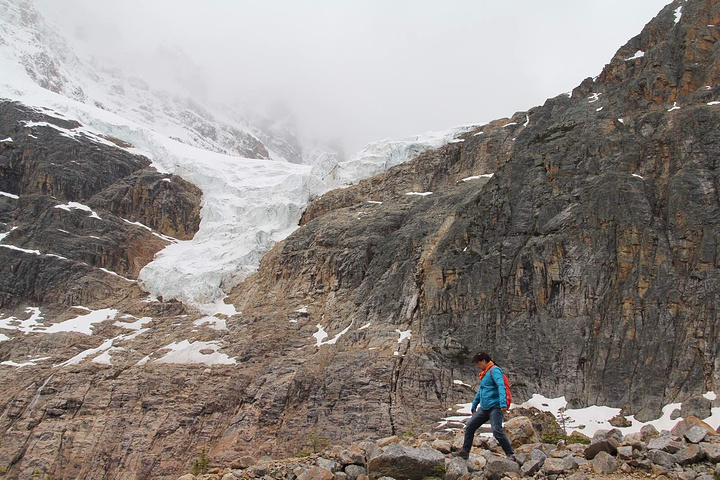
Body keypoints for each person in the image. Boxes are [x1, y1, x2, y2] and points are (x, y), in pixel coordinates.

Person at [452, 351, 515, 460]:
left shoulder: (494, 370)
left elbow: (501, 386)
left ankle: (510, 454)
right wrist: (475, 404)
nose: (477, 365)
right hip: (485, 408)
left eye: (478, 362)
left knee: (497, 431)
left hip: (495, 406)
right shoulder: (485, 373)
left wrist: (503, 403)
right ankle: (465, 451)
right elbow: (481, 390)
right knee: (470, 426)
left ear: (484, 361)